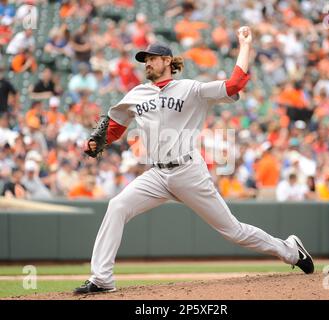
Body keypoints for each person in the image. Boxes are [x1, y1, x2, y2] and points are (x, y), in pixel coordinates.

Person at [74, 26, 314, 295]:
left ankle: (290, 250)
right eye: (145, 60)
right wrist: (97, 140)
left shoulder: (191, 89)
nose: (147, 63)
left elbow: (234, 85)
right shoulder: (137, 94)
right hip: (157, 175)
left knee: (233, 231)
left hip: (188, 171)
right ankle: (102, 278)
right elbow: (115, 126)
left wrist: (245, 45)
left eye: (152, 58)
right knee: (117, 206)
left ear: (167, 61)